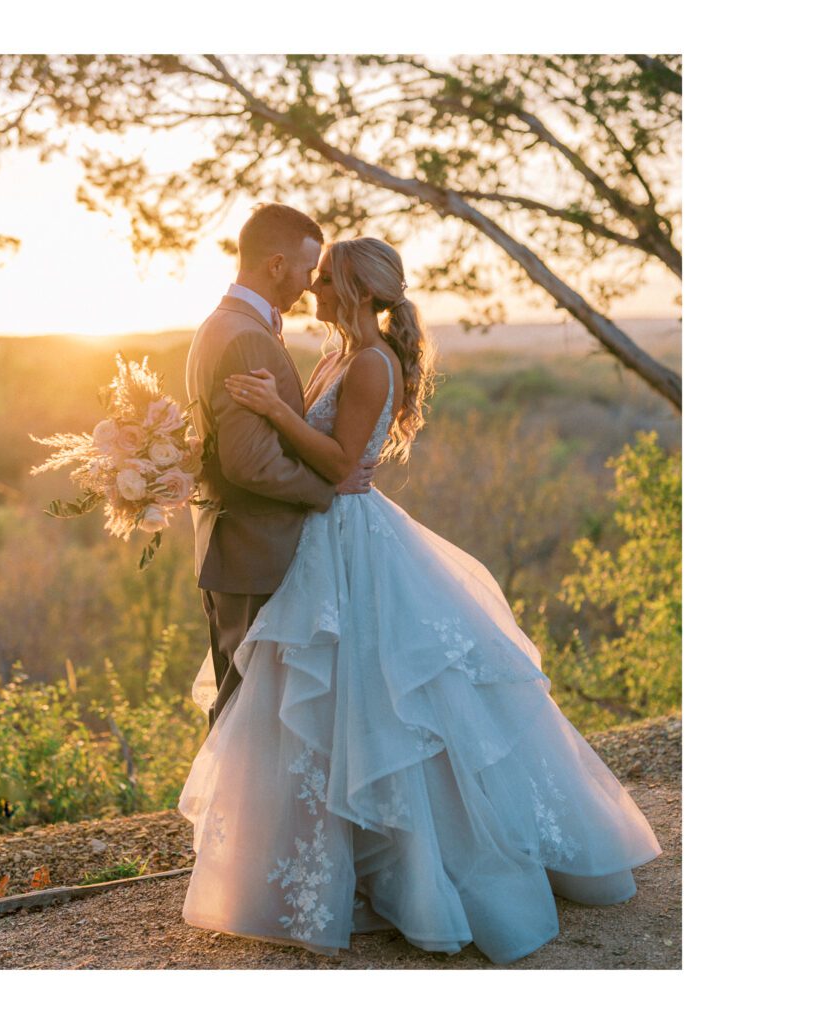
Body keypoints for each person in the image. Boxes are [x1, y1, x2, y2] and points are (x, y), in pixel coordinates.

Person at [178, 236, 662, 965]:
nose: (312, 288)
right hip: (324, 538)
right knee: (327, 706)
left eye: (326, 280)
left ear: (357, 291)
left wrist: (277, 412)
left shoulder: (372, 364)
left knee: (384, 704)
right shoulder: (336, 354)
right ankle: (326, 861)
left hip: (353, 539)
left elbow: (342, 464)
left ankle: (421, 872)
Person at [185, 204, 377, 731]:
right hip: (255, 549)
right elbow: (250, 463)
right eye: (306, 272)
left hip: (235, 548)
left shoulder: (220, 324)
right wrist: (329, 486)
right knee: (247, 712)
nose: (310, 286)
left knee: (248, 706)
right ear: (275, 265)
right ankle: (234, 815)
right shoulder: (246, 334)